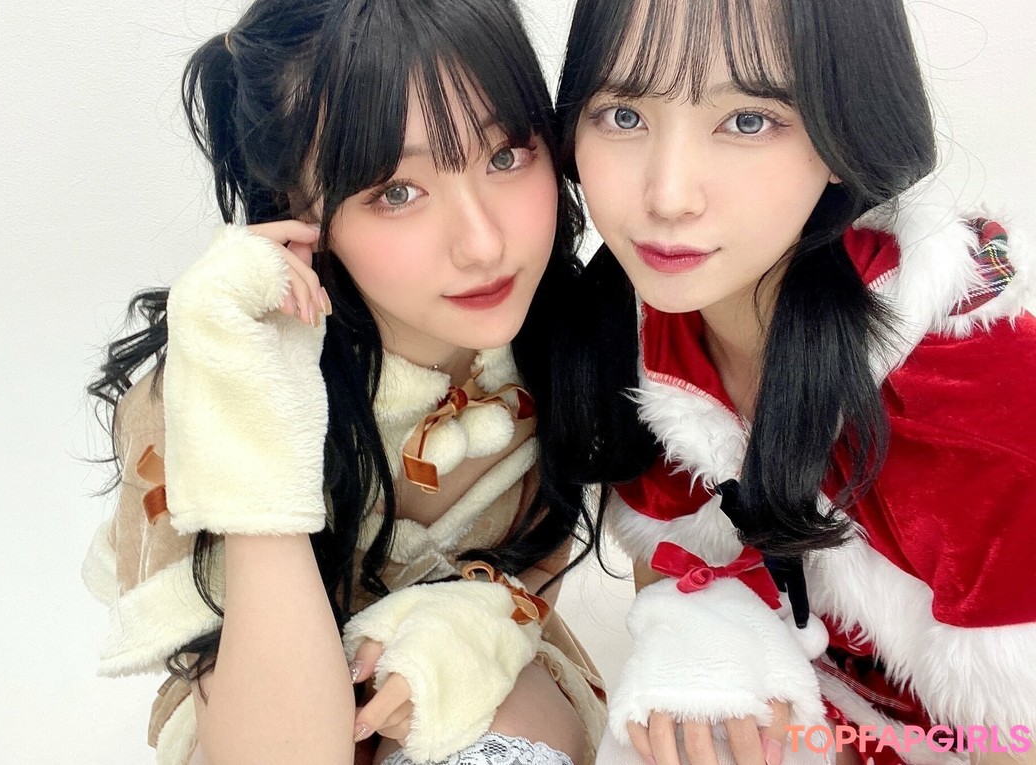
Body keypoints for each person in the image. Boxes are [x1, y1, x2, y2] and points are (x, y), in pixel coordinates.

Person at [82, 1, 647, 762]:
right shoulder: (213, 389)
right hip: (255, 678)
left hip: (480, 655)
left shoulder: (572, 338)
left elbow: (533, 563)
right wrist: (255, 422)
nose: (483, 244)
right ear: (299, 205)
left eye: (505, 155)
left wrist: (472, 628)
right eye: (396, 192)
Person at [553, 0, 1036, 764]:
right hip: (814, 704)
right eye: (623, 115)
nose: (668, 195)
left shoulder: (970, 382)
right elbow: (674, 578)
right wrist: (700, 655)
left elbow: (1014, 721)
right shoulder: (644, 328)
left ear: (846, 130)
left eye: (747, 121)